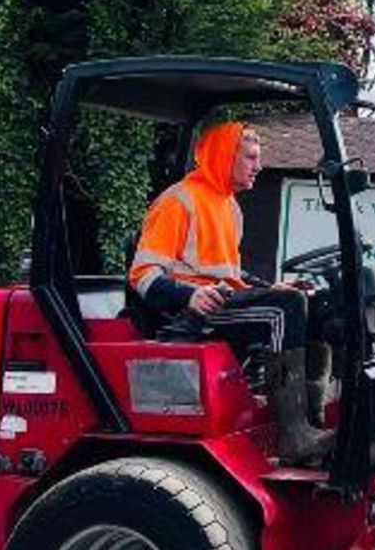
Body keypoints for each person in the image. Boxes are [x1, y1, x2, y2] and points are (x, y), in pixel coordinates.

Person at [130, 122, 334, 464]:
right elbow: (143, 276)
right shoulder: (178, 201)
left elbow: (229, 273)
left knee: (316, 304)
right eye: (251, 158)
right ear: (226, 157)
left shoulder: (230, 207)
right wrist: (188, 296)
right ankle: (294, 435)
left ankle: (312, 422)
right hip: (188, 316)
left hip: (220, 303)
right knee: (284, 309)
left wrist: (269, 287)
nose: (259, 166)